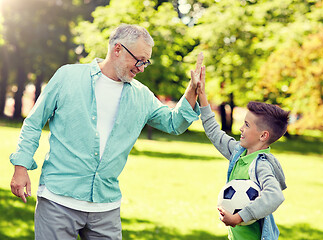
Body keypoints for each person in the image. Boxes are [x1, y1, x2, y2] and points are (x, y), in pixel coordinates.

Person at [9, 23, 204, 240]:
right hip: (58, 199)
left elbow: (174, 123)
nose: (141, 67)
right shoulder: (68, 77)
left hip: (105, 206)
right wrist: (21, 166)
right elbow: (34, 122)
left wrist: (191, 91)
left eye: (146, 62)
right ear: (117, 49)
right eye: (138, 60)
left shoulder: (142, 95)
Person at [195, 66, 289, 240]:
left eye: (246, 125)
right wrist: (202, 95)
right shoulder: (239, 153)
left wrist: (238, 218)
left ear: (263, 135)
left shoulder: (261, 166)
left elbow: (275, 195)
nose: (241, 128)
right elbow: (215, 133)